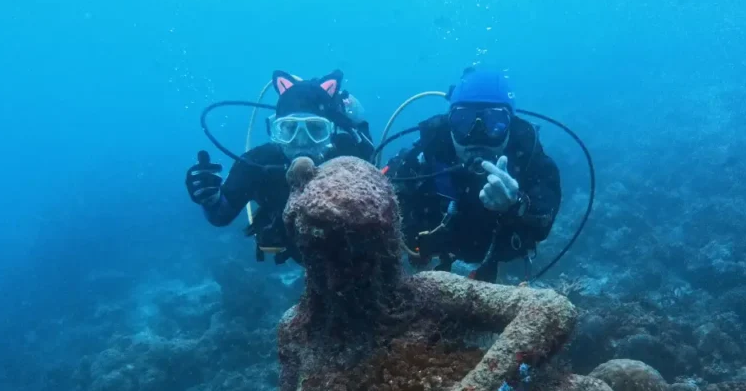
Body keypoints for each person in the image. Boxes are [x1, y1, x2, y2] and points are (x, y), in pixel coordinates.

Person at [386, 68, 562, 282]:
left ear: (510, 126)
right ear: (449, 123)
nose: (477, 135)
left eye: (494, 122)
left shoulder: (527, 153)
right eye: (463, 121)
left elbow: (544, 217)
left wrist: (517, 204)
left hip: (496, 262)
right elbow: (382, 194)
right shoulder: (427, 151)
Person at [185, 70, 373, 264]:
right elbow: (221, 216)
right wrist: (210, 199)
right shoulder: (257, 163)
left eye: (315, 129)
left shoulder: (350, 153)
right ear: (275, 130)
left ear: (330, 132)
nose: (301, 141)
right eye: (290, 129)